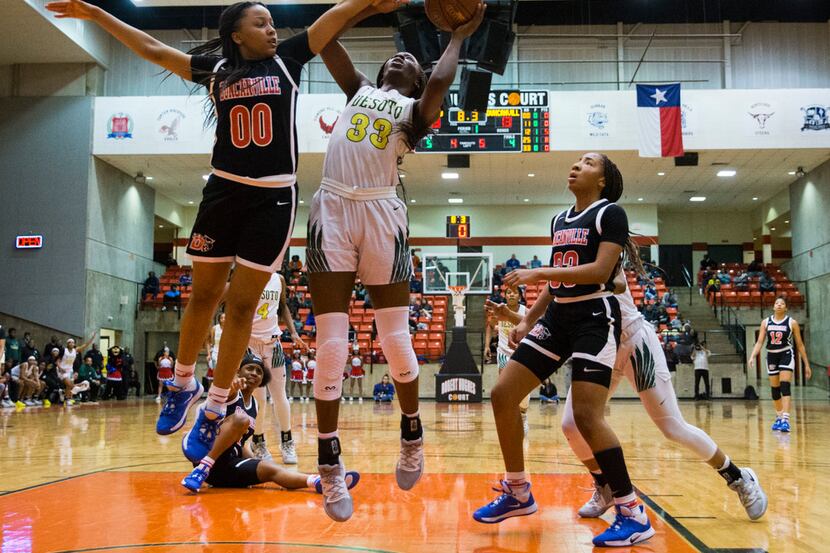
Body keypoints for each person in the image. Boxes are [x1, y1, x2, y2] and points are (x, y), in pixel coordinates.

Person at [47, 0, 407, 455]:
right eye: (261, 23)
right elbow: (153, 49)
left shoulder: (288, 60)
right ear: (237, 34)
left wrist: (369, 2)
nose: (273, 30)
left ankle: (214, 408)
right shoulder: (215, 69)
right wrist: (97, 14)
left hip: (273, 199)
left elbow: (330, 20)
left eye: (273, 23)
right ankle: (181, 385)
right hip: (223, 192)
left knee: (241, 309)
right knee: (204, 296)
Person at [305, 4, 485, 522]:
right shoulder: (358, 89)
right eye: (394, 56)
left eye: (410, 59)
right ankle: (329, 460)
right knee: (333, 344)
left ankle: (412, 430)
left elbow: (439, 88)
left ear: (418, 78)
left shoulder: (414, 112)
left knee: (395, 338)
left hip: (382, 210)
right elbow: (324, 41)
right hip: (333, 207)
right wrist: (357, 7)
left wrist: (455, 38)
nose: (399, 55)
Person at [472, 153, 655, 547]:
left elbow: (599, 271)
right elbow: (556, 287)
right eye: (576, 161)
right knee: (503, 395)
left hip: (595, 317)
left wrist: (540, 271)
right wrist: (525, 320)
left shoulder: (611, 214)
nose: (576, 166)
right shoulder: (559, 220)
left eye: (587, 163)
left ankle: (632, 511)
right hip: (557, 318)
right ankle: (518, 492)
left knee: (587, 416)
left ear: (603, 180)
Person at [562, 269, 767, 522]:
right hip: (600, 346)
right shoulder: (565, 261)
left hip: (634, 342)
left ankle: (738, 477)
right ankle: (604, 486)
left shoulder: (603, 249)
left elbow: (614, 282)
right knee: (571, 424)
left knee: (673, 428)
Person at [181, 352, 361, 494]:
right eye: (249, 368)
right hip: (209, 459)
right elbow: (219, 401)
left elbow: (240, 443)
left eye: (259, 371)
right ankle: (202, 468)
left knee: (270, 468)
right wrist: (229, 388)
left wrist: (254, 464)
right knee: (241, 419)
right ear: (239, 372)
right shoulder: (230, 392)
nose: (254, 373)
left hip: (227, 466)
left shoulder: (255, 407)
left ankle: (319, 483)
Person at [248, 272, 307, 465]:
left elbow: (283, 307)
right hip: (251, 344)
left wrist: (293, 332)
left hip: (273, 345)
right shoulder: (247, 275)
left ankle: (287, 441)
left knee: (280, 396)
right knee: (259, 399)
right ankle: (258, 442)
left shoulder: (278, 279)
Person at [748, 297, 812, 433]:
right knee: (775, 390)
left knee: (785, 386)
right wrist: (752, 356)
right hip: (771, 356)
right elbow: (759, 342)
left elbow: (800, 345)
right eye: (776, 303)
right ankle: (779, 416)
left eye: (782, 303)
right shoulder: (766, 322)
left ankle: (786, 420)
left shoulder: (792, 322)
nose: (779, 305)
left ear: (786, 308)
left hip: (786, 354)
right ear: (773, 307)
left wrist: (806, 364)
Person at [484, 286, 531, 434]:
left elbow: (534, 326)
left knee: (523, 387)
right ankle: (510, 418)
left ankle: (522, 415)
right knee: (505, 387)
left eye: (514, 292)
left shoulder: (526, 312)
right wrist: (487, 346)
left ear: (519, 295)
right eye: (508, 292)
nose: (511, 295)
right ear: (505, 296)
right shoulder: (499, 310)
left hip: (522, 352)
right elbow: (490, 326)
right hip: (504, 352)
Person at [56, 334, 96, 405]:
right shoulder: (63, 350)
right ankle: (72, 390)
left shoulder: (75, 350)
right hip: (61, 370)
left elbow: (85, 345)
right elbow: (57, 361)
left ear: (74, 344)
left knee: (69, 385)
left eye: (72, 342)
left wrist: (92, 338)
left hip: (70, 371)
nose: (71, 343)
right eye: (69, 342)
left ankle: (66, 398)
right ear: (67, 344)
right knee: (70, 384)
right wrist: (60, 368)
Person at [205, 312, 226, 394]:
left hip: (225, 354)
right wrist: (208, 354)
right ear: (219, 319)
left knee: (224, 375)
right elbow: (208, 341)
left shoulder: (230, 328)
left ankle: (222, 393)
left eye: (225, 318)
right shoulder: (214, 328)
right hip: (215, 353)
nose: (224, 319)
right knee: (214, 375)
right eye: (222, 318)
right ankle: (212, 393)